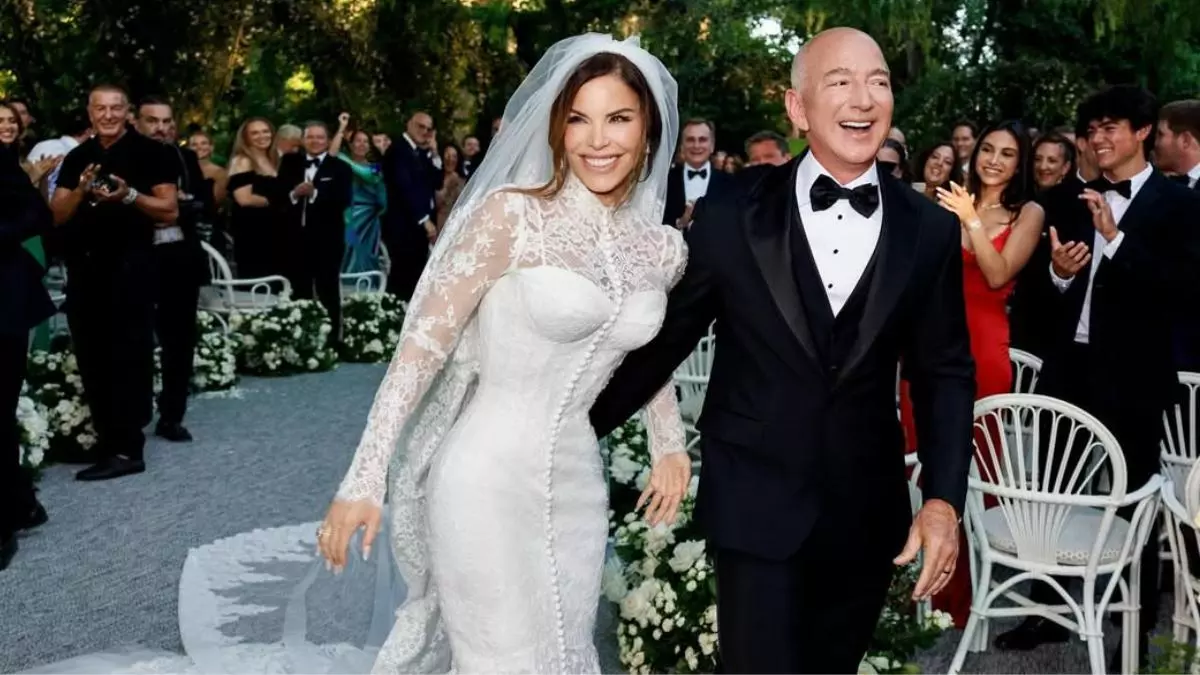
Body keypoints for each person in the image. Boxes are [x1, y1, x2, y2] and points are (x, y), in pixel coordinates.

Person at [590, 27, 975, 673]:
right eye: (840, 82)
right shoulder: (731, 212)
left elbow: (945, 373)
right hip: (754, 503)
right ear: (798, 108)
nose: (863, 99)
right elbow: (661, 343)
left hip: (865, 511)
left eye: (878, 82)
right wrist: (562, 425)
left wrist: (942, 501)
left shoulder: (930, 228)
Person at [317, 34, 687, 672]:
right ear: (557, 128)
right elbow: (420, 349)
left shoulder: (659, 248)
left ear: (648, 131)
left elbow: (644, 354)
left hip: (578, 482)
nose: (598, 139)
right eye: (579, 119)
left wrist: (669, 442)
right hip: (481, 478)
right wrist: (364, 476)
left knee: (567, 653)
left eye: (619, 118)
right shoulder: (510, 217)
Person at [993, 85, 1200, 669]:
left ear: (1142, 132)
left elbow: (1183, 290)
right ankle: (1043, 609)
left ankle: (1134, 625)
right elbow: (1038, 296)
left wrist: (1116, 239)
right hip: (1069, 367)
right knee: (1052, 492)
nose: (1099, 139)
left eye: (1112, 127)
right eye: (1092, 130)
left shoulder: (1179, 203)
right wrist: (1059, 276)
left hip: (1135, 374)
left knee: (1135, 501)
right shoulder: (1068, 200)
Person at [898, 120, 1044, 626]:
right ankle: (909, 581)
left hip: (982, 349)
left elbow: (999, 273)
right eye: (988, 149)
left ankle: (966, 590)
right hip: (927, 345)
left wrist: (971, 221)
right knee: (916, 461)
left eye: (1008, 153)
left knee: (973, 469)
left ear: (1020, 163)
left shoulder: (1027, 212)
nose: (994, 160)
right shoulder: (943, 200)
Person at [51, 84, 179, 482]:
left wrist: (129, 196)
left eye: (115, 108)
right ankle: (108, 442)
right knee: (91, 358)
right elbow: (56, 214)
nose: (107, 115)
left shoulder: (153, 152)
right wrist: (82, 190)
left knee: (128, 356)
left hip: (130, 269)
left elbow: (169, 210)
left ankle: (128, 448)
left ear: (128, 112)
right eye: (100, 108)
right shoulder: (78, 156)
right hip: (84, 271)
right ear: (90, 113)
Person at [134, 96, 212, 443]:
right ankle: (134, 414)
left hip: (181, 258)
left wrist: (184, 205)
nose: (161, 128)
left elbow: (205, 201)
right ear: (137, 123)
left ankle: (172, 415)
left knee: (179, 341)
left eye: (167, 122)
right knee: (136, 338)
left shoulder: (186, 157)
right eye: (153, 121)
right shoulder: (126, 156)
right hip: (138, 257)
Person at [0, 102, 55, 571]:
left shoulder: (8, 168)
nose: (5, 126)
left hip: (5, 302)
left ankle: (5, 526)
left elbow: (39, 218)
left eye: (9, 121)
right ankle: (21, 503)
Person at [278, 121, 353, 340]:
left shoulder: (340, 167)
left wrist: (315, 194)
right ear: (303, 140)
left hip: (327, 239)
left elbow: (343, 200)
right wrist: (295, 194)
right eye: (310, 137)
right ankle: (301, 340)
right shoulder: (290, 162)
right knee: (298, 289)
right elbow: (279, 194)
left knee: (328, 289)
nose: (315, 141)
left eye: (320, 137)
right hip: (295, 238)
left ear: (328, 141)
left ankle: (333, 341)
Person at [379, 111, 443, 300]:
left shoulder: (421, 153)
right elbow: (404, 187)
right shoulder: (398, 150)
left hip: (418, 230)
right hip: (403, 227)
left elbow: (437, 182)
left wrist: (435, 152)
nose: (425, 132)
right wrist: (424, 220)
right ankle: (395, 313)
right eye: (420, 126)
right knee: (402, 278)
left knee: (416, 278)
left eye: (428, 129)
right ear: (409, 124)